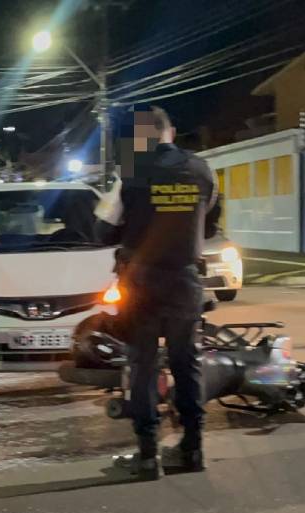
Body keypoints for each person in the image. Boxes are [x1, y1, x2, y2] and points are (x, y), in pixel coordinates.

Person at [99, 106, 219, 480]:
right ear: (171, 131)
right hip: (185, 282)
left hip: (143, 284)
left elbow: (103, 229)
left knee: (144, 367)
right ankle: (193, 448)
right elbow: (210, 223)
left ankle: (148, 455)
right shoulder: (202, 170)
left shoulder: (131, 173)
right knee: (187, 365)